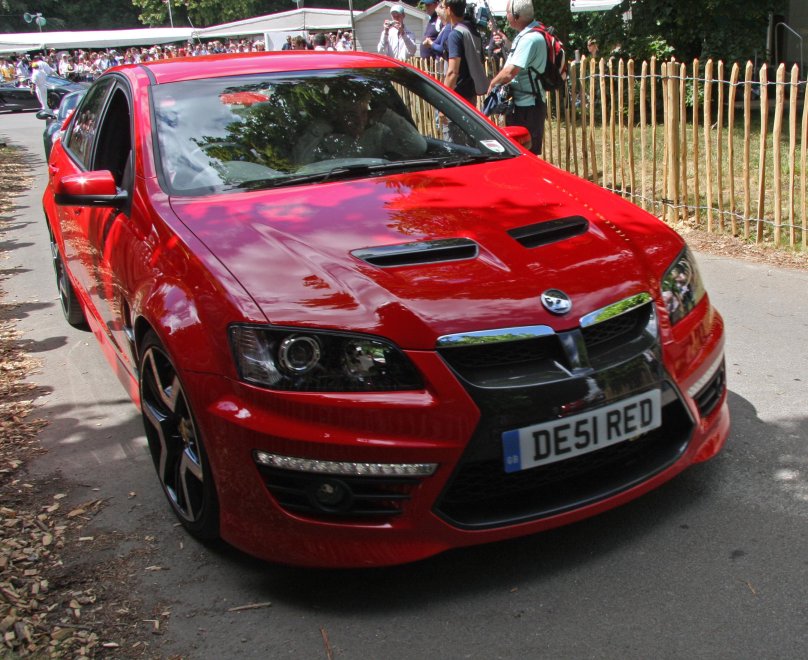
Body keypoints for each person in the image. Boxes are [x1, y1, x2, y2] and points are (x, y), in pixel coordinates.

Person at [292, 88, 427, 165]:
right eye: (350, 115)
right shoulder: (324, 138)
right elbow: (300, 163)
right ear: (337, 116)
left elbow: (418, 148)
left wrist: (388, 116)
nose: (359, 120)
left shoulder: (377, 133)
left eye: (363, 113)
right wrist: (318, 129)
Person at [486, 0, 547, 155]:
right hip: (527, 104)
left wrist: (493, 83)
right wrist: (507, 42)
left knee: (525, 155)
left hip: (528, 108)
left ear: (516, 16)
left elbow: (509, 72)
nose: (506, 16)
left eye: (507, 13)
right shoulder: (532, 33)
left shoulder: (529, 39)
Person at [443, 0, 481, 105]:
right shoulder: (472, 30)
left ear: (449, 10)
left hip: (458, 97)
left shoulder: (455, 35)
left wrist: (444, 101)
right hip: (471, 92)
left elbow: (452, 72)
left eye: (443, 7)